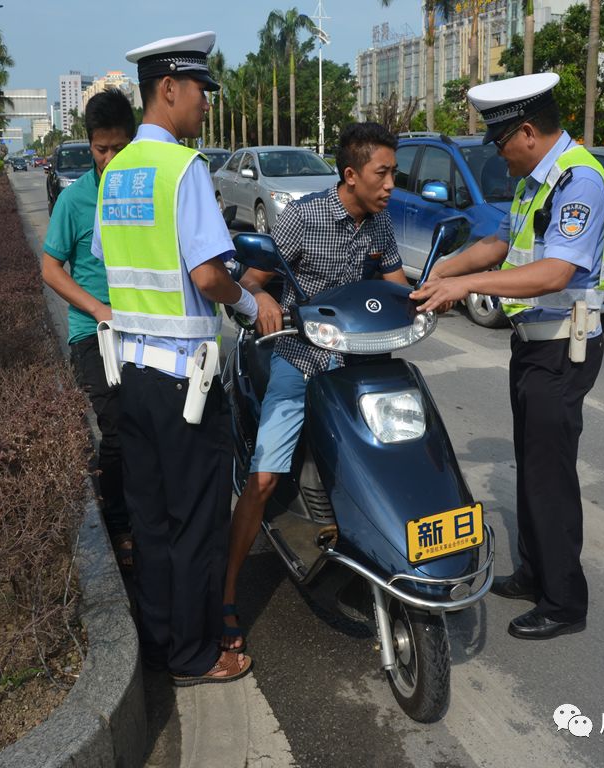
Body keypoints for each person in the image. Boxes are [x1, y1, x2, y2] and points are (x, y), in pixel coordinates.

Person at [410, 72, 604, 640]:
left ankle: (565, 601)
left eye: (501, 145)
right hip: (532, 347)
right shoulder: (536, 182)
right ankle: (534, 571)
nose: (500, 158)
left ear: (527, 131)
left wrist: (469, 286)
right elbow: (501, 241)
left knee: (550, 477)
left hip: (562, 349)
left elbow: (554, 271)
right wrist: (446, 270)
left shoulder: (579, 182)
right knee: (531, 466)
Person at [92, 30, 258, 686]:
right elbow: (211, 276)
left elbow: (116, 266)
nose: (206, 104)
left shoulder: (116, 172)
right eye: (200, 91)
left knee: (153, 519)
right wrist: (250, 303)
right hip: (185, 382)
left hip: (131, 376)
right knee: (195, 522)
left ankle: (164, 641)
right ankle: (195, 654)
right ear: (169, 89)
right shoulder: (182, 171)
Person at [222, 122, 408, 651]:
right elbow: (255, 280)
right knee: (261, 478)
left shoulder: (379, 223)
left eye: (392, 172)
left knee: (393, 455)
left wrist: (434, 293)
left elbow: (397, 284)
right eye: (383, 173)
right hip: (301, 360)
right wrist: (260, 303)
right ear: (351, 175)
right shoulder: (303, 218)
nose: (391, 183)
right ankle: (228, 594)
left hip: (363, 366)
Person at [41, 89, 135, 568]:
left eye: (120, 147)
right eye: (102, 149)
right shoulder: (75, 200)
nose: (111, 158)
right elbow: (51, 268)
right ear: (90, 146)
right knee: (116, 429)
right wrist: (98, 310)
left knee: (154, 424)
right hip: (94, 334)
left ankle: (148, 512)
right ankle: (120, 524)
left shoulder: (144, 192)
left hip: (144, 327)